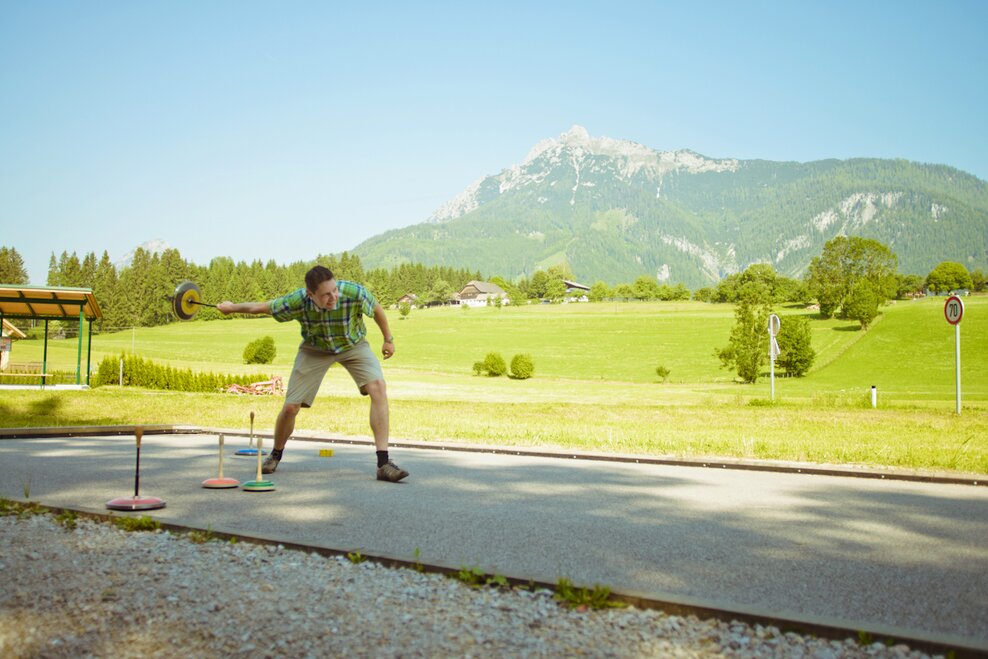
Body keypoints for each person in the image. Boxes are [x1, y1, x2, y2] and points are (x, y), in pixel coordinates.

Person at [217, 265, 408, 482]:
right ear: (311, 294)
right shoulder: (297, 301)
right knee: (291, 407)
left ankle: (383, 463)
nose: (333, 297)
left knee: (378, 387)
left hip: (353, 345)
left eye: (334, 290)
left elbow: (377, 310)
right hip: (314, 349)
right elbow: (261, 307)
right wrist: (231, 308)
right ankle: (275, 454)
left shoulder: (353, 292)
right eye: (326, 294)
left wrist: (388, 339)